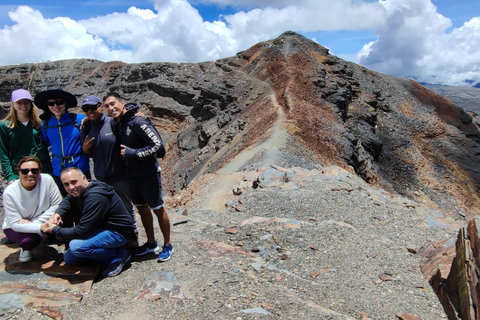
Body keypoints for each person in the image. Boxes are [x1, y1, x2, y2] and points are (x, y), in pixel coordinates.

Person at [103, 92, 173, 262]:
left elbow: (157, 145)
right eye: (107, 106)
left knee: (157, 208)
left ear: (122, 102)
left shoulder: (137, 121)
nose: (111, 108)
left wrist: (133, 153)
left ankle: (168, 245)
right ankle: (151, 243)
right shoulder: (119, 122)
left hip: (148, 174)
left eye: (113, 104)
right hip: (132, 175)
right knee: (141, 208)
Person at [40, 167, 136, 277]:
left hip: (118, 232)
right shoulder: (81, 189)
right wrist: (58, 213)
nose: (71, 187)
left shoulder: (95, 196)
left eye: (74, 182)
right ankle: (106, 252)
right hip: (99, 228)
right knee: (70, 259)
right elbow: (68, 199)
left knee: (76, 247)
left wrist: (54, 230)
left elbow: (81, 231)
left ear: (84, 178)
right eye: (66, 184)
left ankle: (118, 255)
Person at [80, 95, 138, 238]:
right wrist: (85, 149)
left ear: (101, 107)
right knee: (105, 209)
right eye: (86, 109)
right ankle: (114, 239)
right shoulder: (86, 127)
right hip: (100, 178)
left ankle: (132, 238)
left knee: (125, 207)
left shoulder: (113, 122)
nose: (90, 111)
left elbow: (129, 122)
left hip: (120, 176)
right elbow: (89, 153)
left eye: (93, 107)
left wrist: (139, 114)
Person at [2, 156, 62, 262]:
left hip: (37, 221)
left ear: (40, 171)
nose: (30, 174)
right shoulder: (10, 192)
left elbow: (57, 205)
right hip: (13, 227)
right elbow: (15, 223)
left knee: (65, 214)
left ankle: (66, 244)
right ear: (19, 173)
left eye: (34, 170)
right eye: (25, 171)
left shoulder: (47, 180)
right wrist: (41, 226)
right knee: (28, 241)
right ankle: (26, 249)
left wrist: (35, 223)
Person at [34, 89, 90, 197]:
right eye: (51, 104)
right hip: (58, 170)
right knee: (65, 201)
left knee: (86, 199)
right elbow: (45, 144)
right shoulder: (45, 124)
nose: (56, 106)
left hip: (80, 167)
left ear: (65, 103)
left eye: (59, 102)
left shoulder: (79, 120)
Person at [0, 89, 52, 184]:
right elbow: (3, 153)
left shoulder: (40, 124)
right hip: (20, 173)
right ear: (13, 105)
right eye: (19, 102)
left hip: (43, 172)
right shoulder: (4, 126)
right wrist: (10, 176)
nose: (23, 105)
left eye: (26, 102)